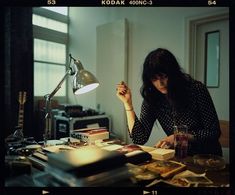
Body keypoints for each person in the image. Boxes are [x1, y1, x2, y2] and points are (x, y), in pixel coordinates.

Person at [116, 48, 222, 156]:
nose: (160, 83)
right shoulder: (153, 97)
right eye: (154, 79)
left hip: (207, 157)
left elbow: (214, 132)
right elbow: (139, 138)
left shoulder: (196, 89)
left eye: (164, 76)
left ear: (173, 73)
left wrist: (180, 136)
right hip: (180, 158)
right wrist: (128, 103)